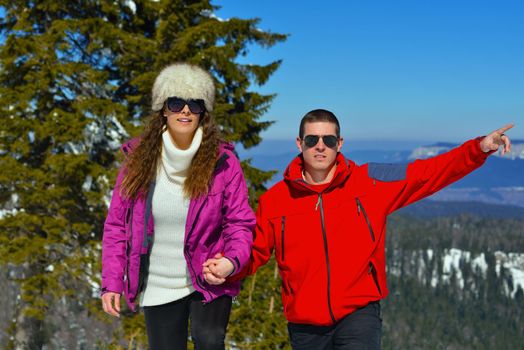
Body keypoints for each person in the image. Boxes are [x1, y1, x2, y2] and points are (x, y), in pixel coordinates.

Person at [204, 109, 513, 349]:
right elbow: (254, 250)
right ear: (300, 144)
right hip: (304, 323)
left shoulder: (370, 182)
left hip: (358, 314)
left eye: (328, 140)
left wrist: (479, 149)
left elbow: (426, 174)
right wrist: (228, 266)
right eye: (312, 140)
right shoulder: (276, 200)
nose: (320, 147)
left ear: (340, 143)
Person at [101, 63, 255, 350]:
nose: (185, 110)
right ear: (164, 109)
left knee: (209, 340)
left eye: (194, 104)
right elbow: (116, 226)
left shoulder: (223, 162)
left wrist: (231, 261)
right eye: (176, 102)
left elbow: (240, 222)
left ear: (203, 113)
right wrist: (112, 281)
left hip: (209, 278)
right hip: (158, 282)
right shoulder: (137, 161)